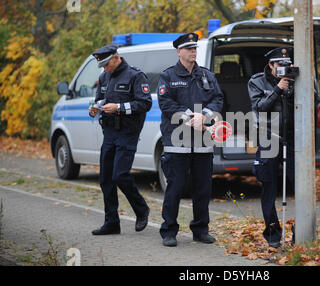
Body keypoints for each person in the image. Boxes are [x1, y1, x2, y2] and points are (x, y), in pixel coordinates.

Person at [157, 33, 223, 247]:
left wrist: (204, 115)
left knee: (203, 188)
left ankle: (200, 229)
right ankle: (169, 231)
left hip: (203, 141)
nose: (193, 51)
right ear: (179, 52)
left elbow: (218, 98)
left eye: (194, 48)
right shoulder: (168, 75)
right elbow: (166, 103)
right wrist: (189, 118)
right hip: (177, 142)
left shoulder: (206, 75)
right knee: (175, 187)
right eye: (188, 48)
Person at [88, 44, 152, 235]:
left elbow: (145, 103)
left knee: (120, 175)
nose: (105, 68)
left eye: (107, 64)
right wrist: (94, 108)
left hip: (128, 132)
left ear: (116, 58)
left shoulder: (135, 76)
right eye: (102, 66)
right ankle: (112, 222)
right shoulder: (104, 76)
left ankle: (142, 209)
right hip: (109, 131)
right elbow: (100, 99)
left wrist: (119, 107)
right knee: (105, 178)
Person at [248, 47, 295, 248]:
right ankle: (273, 233)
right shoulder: (256, 81)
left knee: (298, 185)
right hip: (268, 137)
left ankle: (300, 232)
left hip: (292, 137)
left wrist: (296, 85)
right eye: (280, 65)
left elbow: (314, 101)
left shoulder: (296, 78)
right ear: (271, 65)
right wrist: (278, 89)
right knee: (268, 185)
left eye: (287, 64)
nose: (284, 68)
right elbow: (260, 107)